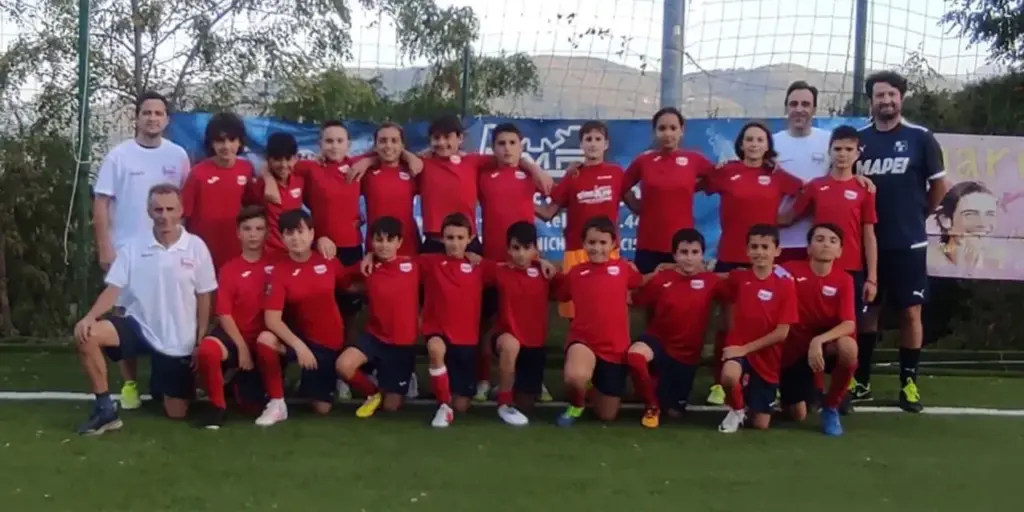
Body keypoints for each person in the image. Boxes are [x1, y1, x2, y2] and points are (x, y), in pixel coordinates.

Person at [73, 184, 216, 435]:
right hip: (138, 326)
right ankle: (105, 411)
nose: (164, 216)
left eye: (170, 209)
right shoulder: (133, 247)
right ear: (149, 212)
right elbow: (113, 289)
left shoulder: (196, 247)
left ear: (181, 210)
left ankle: (169, 384)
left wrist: (200, 340)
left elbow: (205, 296)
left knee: (177, 413)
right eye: (158, 209)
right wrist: (90, 317)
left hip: (178, 341)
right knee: (86, 334)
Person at [855, 71, 949, 412]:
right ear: (871, 100)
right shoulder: (859, 140)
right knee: (867, 312)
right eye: (879, 95)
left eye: (891, 95)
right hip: (867, 244)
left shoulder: (920, 137)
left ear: (901, 98)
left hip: (908, 244)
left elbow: (939, 187)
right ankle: (861, 381)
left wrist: (918, 216)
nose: (886, 100)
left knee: (911, 312)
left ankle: (909, 383)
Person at [92, 91, 191, 411]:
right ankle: (130, 384)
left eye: (158, 113)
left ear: (167, 119)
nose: (152, 118)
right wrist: (105, 246)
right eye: (146, 112)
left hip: (167, 253)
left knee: (167, 314)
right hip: (126, 254)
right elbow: (101, 203)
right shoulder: (119, 156)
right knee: (124, 317)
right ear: (137, 117)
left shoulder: (178, 155)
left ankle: (167, 379)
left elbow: (184, 204)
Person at [702, 122, 802, 406]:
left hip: (764, 260)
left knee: (765, 325)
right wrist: (716, 168)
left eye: (760, 140)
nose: (754, 144)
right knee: (728, 323)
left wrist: (787, 219)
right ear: (741, 144)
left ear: (767, 145)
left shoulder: (776, 175)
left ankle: (766, 380)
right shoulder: (728, 172)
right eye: (749, 139)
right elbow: (700, 183)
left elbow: (805, 191)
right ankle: (720, 381)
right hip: (730, 256)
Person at [782, 126, 879, 405]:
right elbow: (789, 218)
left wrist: (872, 277)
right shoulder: (816, 186)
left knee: (847, 336)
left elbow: (869, 234)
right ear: (830, 151)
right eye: (838, 149)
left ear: (857, 153)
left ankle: (841, 392)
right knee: (808, 328)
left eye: (849, 149)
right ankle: (812, 386)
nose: (843, 154)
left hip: (851, 271)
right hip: (818, 269)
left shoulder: (864, 189)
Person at [252, 209, 360, 426]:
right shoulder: (280, 270)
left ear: (312, 234)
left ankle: (324, 379)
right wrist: (299, 347)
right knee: (265, 339)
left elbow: (350, 284)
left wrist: (371, 261)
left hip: (327, 344)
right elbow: (272, 319)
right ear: (282, 238)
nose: (296, 238)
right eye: (289, 233)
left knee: (322, 408)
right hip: (300, 342)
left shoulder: (328, 262)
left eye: (300, 232)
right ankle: (277, 403)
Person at [475, 122, 549, 401]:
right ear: (493, 148)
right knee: (486, 322)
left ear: (521, 146)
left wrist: (532, 167)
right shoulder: (483, 176)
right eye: (501, 143)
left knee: (527, 323)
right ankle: (484, 379)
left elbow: (554, 199)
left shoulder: (531, 175)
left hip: (525, 264)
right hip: (492, 261)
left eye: (512, 143)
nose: (507, 148)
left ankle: (532, 379)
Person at [627, 228, 723, 428]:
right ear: (674, 255)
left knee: (674, 413)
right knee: (635, 356)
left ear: (702, 254)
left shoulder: (712, 282)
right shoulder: (662, 278)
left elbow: (739, 285)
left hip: (686, 356)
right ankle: (651, 405)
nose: (689, 258)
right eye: (684, 252)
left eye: (694, 252)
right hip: (658, 342)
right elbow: (634, 298)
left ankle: (658, 387)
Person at [554, 216, 644, 427]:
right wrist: (543, 265)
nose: (597, 248)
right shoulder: (576, 273)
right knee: (574, 377)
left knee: (607, 415)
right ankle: (577, 403)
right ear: (584, 244)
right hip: (583, 341)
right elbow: (559, 293)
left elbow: (642, 283)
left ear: (613, 244)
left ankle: (592, 386)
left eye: (603, 242)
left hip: (615, 348)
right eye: (591, 242)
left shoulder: (624, 269)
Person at [192, 205, 273, 429]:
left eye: (259, 229)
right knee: (208, 349)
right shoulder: (229, 269)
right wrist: (242, 347)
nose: (253, 234)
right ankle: (217, 406)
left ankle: (237, 380)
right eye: (247, 229)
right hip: (234, 336)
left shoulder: (276, 265)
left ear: (267, 232)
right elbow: (224, 313)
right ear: (238, 233)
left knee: (251, 407)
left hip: (265, 340)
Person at [537, 121, 627, 319]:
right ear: (581, 144)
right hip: (577, 250)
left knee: (607, 309)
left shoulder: (616, 173)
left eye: (598, 139)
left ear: (606, 144)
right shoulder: (573, 175)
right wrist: (520, 202)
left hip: (608, 250)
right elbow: (548, 213)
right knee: (575, 312)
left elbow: (636, 204)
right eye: (588, 139)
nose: (593, 143)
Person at [419, 213, 499, 428]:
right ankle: (443, 406)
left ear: (470, 238)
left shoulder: (479, 265)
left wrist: (540, 261)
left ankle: (449, 399)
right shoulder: (429, 262)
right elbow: (394, 263)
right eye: (450, 238)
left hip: (466, 341)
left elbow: (513, 269)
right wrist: (370, 257)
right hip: (438, 333)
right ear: (442, 239)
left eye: (460, 238)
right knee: (435, 348)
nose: (455, 243)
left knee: (461, 406)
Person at [335, 216, 421, 418]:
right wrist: (368, 258)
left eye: (390, 240)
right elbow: (341, 278)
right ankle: (372, 393)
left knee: (391, 407)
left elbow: (443, 263)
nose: (384, 245)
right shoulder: (367, 267)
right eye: (379, 240)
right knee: (343, 366)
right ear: (371, 242)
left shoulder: (414, 265)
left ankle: (395, 381)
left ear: (399, 242)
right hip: (375, 338)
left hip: (401, 345)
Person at [716, 224, 798, 433]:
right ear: (747, 250)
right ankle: (736, 410)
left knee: (761, 425)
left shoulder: (786, 284)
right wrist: (671, 268)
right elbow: (708, 279)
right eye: (754, 247)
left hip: (766, 356)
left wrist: (744, 349)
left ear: (777, 251)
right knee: (729, 375)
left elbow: (782, 332)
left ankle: (753, 399)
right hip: (738, 346)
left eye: (765, 247)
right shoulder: (738, 278)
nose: (759, 252)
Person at [779, 224, 859, 436]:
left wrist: (818, 341)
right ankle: (788, 391)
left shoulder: (845, 280)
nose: (826, 245)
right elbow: (757, 275)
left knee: (849, 347)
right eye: (820, 239)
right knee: (797, 415)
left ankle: (831, 406)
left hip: (824, 347)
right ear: (809, 247)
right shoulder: (788, 270)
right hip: (793, 350)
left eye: (833, 241)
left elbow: (848, 324)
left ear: (840, 251)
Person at [623, 108, 715, 274]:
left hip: (683, 247)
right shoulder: (644, 161)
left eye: (673, 128)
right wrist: (635, 205)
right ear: (654, 132)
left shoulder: (694, 159)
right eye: (662, 128)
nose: (668, 134)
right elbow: (621, 185)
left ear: (682, 130)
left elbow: (717, 178)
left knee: (681, 289)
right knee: (646, 288)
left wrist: (693, 188)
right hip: (649, 243)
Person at [488, 221, 557, 426]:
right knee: (510, 345)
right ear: (508, 249)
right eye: (516, 248)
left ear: (535, 249)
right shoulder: (499, 271)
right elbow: (471, 264)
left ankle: (506, 386)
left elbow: (569, 285)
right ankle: (503, 403)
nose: (521, 254)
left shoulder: (545, 273)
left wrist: (544, 262)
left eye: (527, 248)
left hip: (534, 344)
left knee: (526, 405)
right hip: (505, 337)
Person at [182, 112, 253, 271]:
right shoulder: (197, 174)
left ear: (240, 142)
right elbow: (182, 218)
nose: (226, 146)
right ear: (211, 143)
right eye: (220, 141)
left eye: (232, 140)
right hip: (202, 254)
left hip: (235, 252)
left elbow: (252, 209)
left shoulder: (247, 169)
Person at [349, 122, 423, 257]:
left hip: (409, 246)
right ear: (375, 145)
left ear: (402, 145)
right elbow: (343, 163)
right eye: (383, 141)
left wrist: (406, 155)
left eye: (394, 141)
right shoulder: (365, 172)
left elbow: (426, 161)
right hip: (377, 248)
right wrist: (369, 160)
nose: (388, 145)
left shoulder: (412, 170)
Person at [246, 132, 305, 260]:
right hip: (268, 254)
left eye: (288, 159)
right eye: (277, 160)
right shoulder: (257, 185)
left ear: (296, 158)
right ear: (268, 159)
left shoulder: (300, 180)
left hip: (295, 251)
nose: (283, 165)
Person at [928, 180, 1002, 271]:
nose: (983, 223)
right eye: (970, 214)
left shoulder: (1002, 265)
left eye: (990, 214)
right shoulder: (928, 261)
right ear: (945, 220)